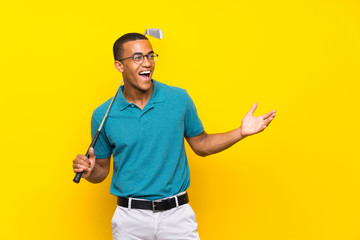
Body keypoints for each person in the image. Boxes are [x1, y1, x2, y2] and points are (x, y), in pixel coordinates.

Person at [72, 32, 276, 240]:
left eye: (151, 56)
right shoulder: (103, 114)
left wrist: (240, 132)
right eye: (137, 57)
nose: (147, 63)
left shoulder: (178, 99)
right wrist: (90, 171)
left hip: (176, 216)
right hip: (130, 220)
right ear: (119, 66)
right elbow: (101, 171)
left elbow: (202, 145)